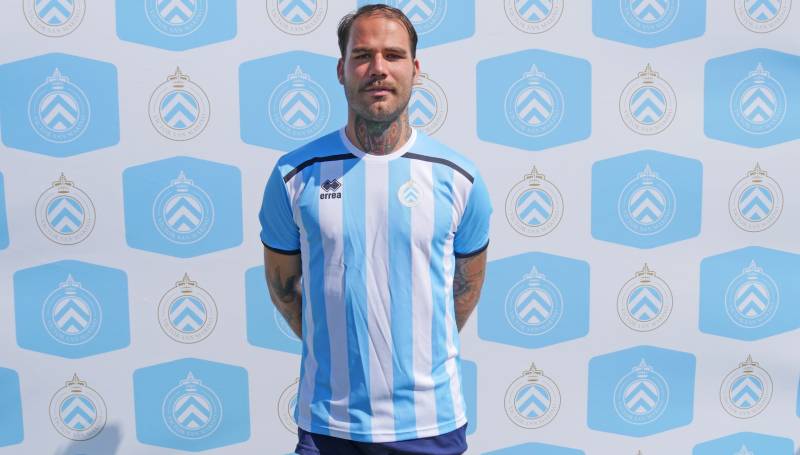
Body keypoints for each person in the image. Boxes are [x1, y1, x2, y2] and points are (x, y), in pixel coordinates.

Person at [259, 4, 492, 454]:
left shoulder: (458, 178)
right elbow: (284, 289)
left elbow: (464, 291)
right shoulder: (295, 175)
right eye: (363, 55)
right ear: (341, 69)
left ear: (415, 70)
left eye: (393, 55)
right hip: (329, 424)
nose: (378, 69)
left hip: (430, 423)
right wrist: (337, 352)